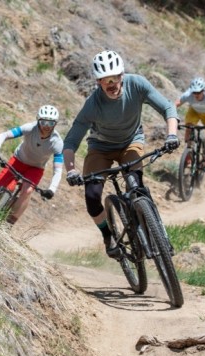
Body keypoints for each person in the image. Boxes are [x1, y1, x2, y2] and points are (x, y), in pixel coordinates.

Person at [63, 50, 180, 258]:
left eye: (115, 77)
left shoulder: (137, 84)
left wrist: (171, 135)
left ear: (122, 75)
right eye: (105, 80)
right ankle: (108, 236)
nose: (112, 84)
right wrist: (71, 171)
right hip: (101, 148)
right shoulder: (93, 104)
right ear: (98, 81)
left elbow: (168, 107)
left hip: (131, 143)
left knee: (136, 185)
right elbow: (71, 141)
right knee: (91, 196)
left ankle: (155, 234)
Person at [0, 105, 64, 224]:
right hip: (18, 160)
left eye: (51, 123)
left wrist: (52, 189)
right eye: (43, 122)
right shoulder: (29, 128)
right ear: (38, 120)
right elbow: (4, 135)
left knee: (27, 191)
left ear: (55, 123)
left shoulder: (57, 142)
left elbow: (58, 170)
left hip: (36, 168)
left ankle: (10, 222)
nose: (46, 126)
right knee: (3, 187)